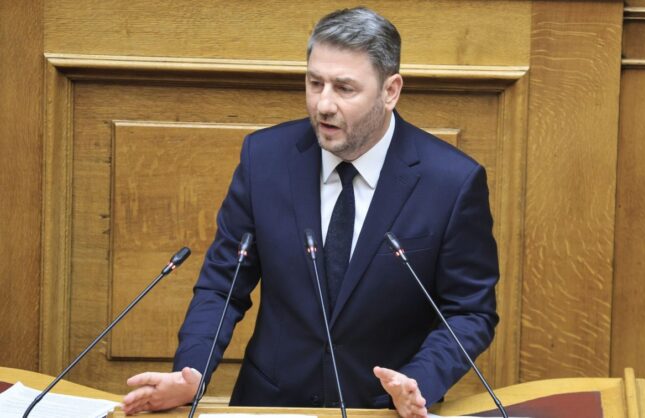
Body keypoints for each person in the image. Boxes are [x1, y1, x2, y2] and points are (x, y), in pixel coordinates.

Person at [122, 7, 499, 418]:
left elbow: (469, 311)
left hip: (381, 410)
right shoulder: (265, 159)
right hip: (271, 406)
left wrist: (419, 380)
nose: (323, 104)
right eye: (315, 83)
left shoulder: (451, 182)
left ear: (390, 91)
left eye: (344, 88)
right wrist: (192, 370)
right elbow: (222, 284)